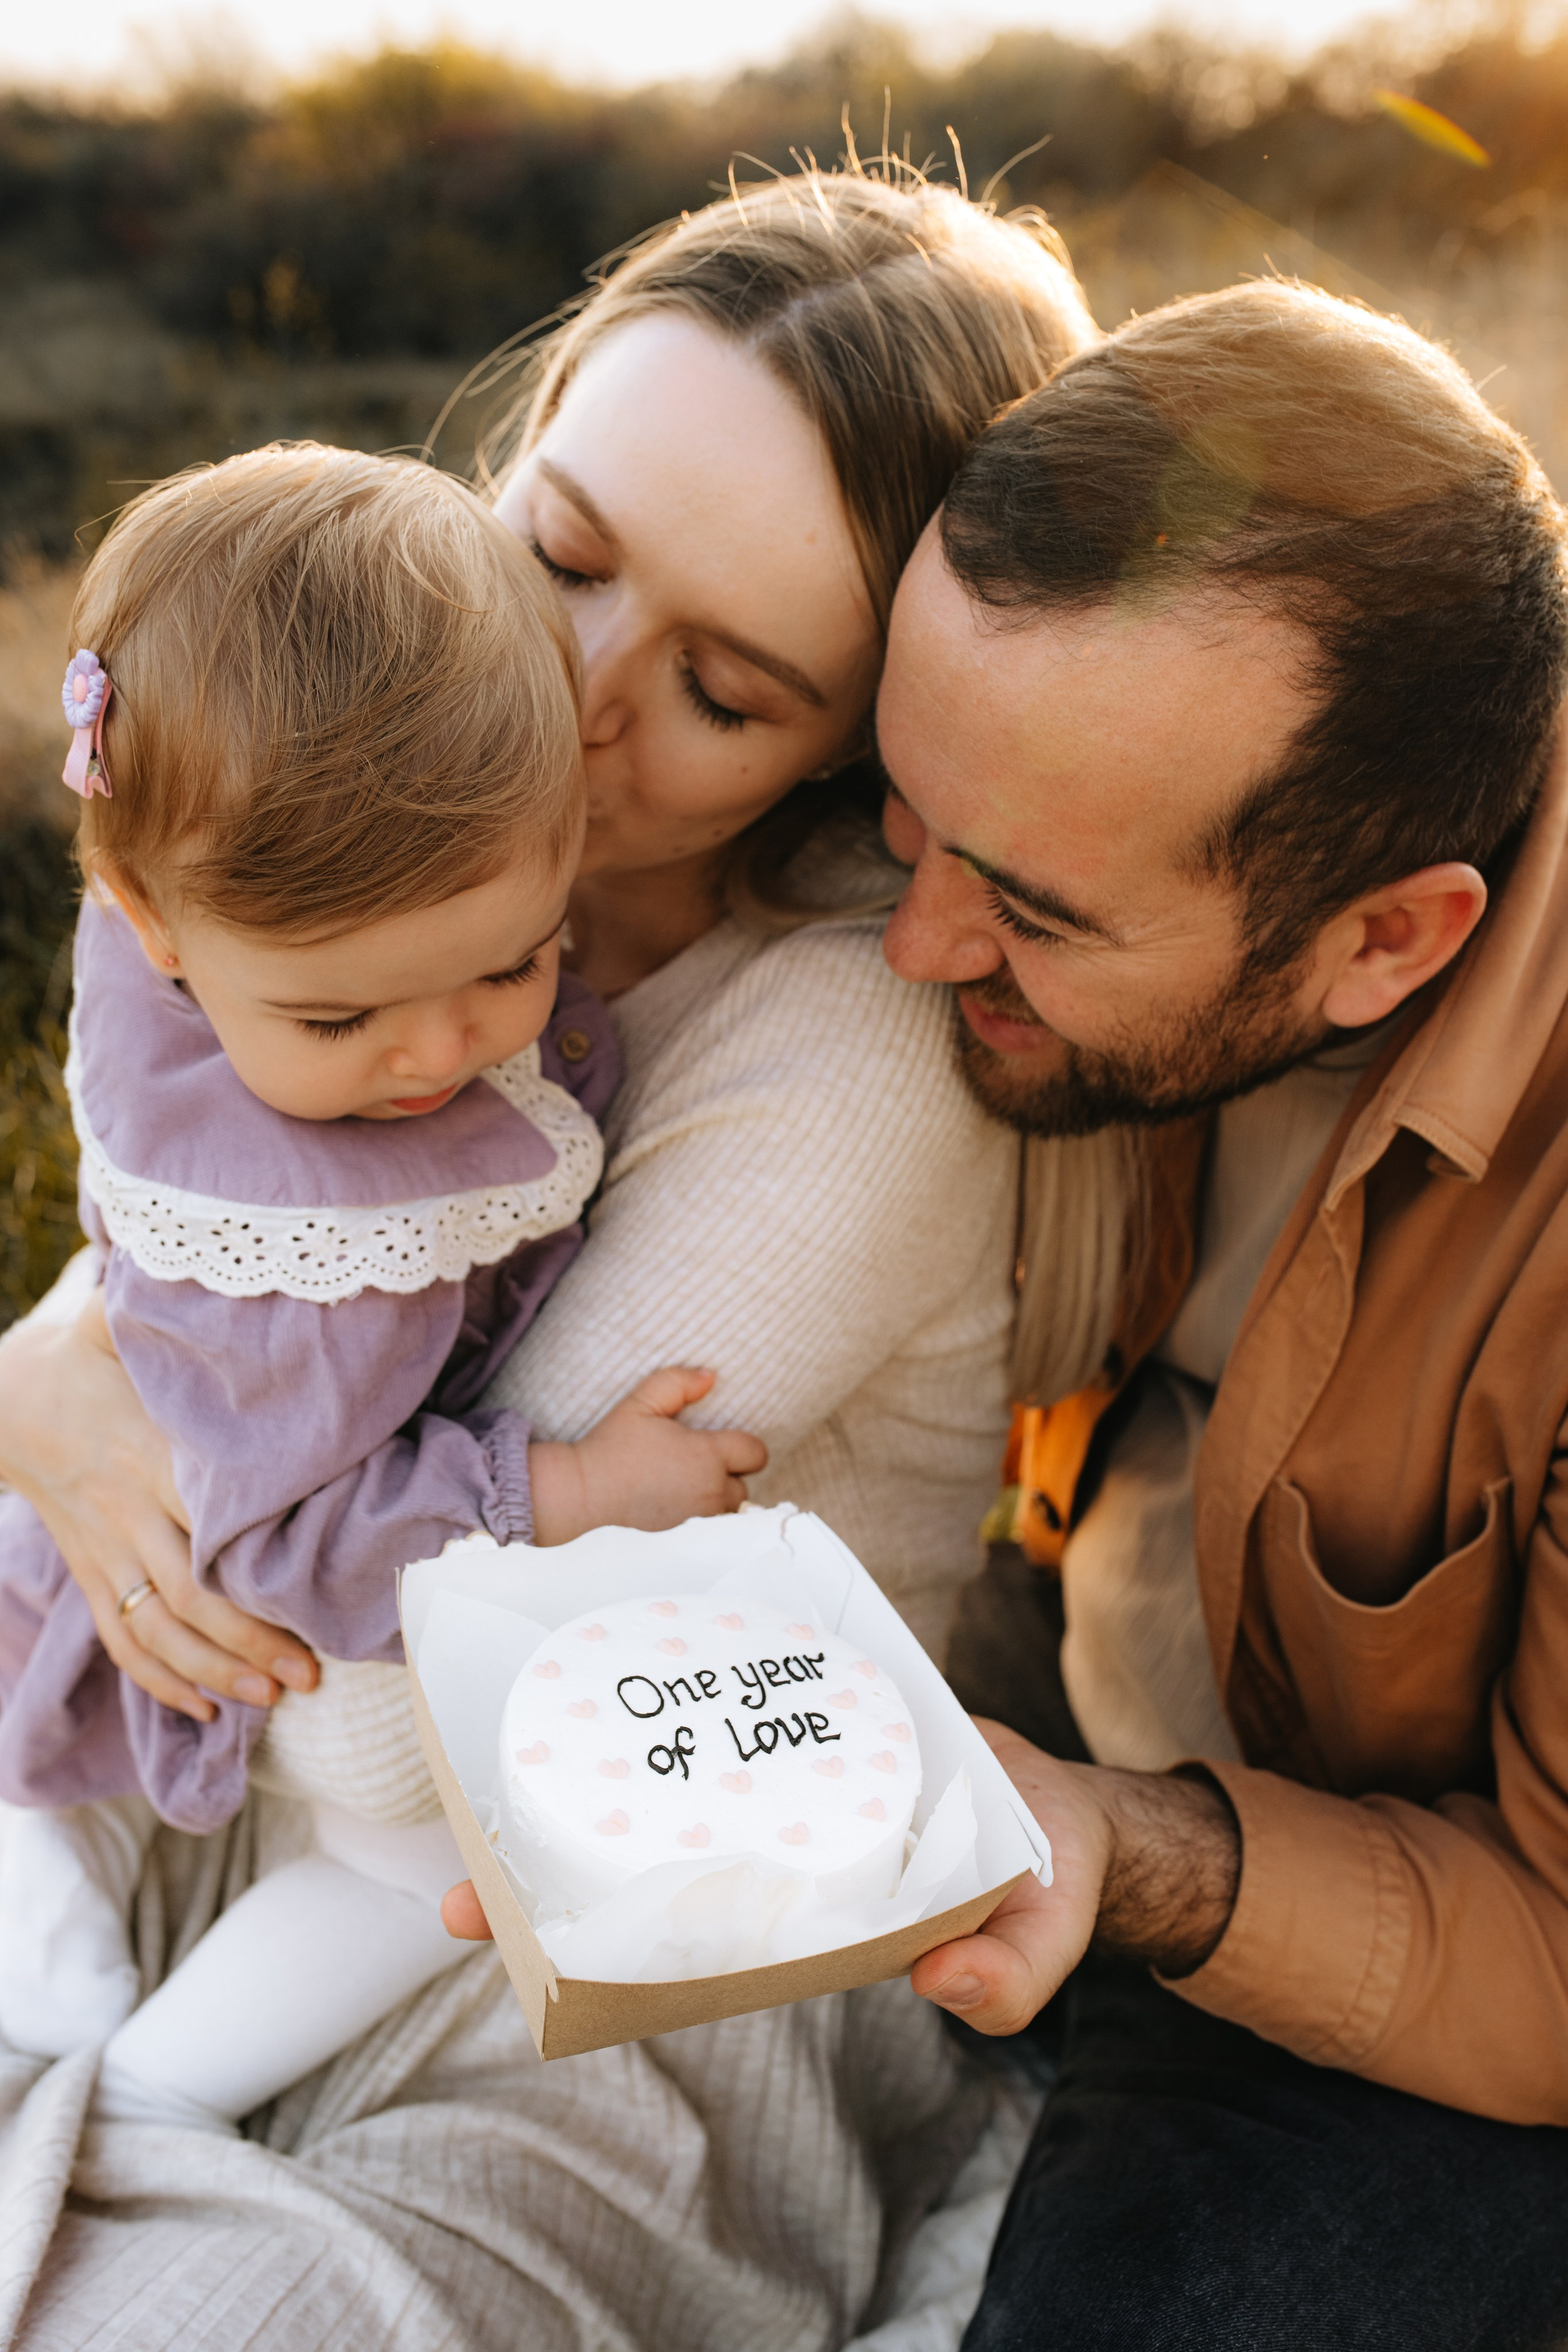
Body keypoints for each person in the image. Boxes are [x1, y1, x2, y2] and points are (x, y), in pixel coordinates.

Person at [0, 169, 1096, 2348]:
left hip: (615, 1956)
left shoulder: (843, 1056)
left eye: (722, 686)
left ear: (874, 749)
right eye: (562, 554)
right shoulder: (332, 862)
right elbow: (159, 1248)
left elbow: (414, 1749)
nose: (574, 698)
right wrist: (51, 1378)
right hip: (200, 1771)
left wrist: (92, 1399)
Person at [875, 281, 1568, 2346]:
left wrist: (1128, 1853)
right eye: (898, 819)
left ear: (1385, 942)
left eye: (1029, 910)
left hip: (1406, 1945)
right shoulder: (1042, 779)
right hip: (1052, 1653)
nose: (911, 941)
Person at [0, 443, 764, 2132]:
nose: (439, 1052)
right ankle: (139, 2105)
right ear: (150, 920)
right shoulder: (306, 1260)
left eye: (513, 959)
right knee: (424, 1845)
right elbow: (281, 1548)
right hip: (209, 1581)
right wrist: (562, 1491)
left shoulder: (256, 908)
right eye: (341, 1022)